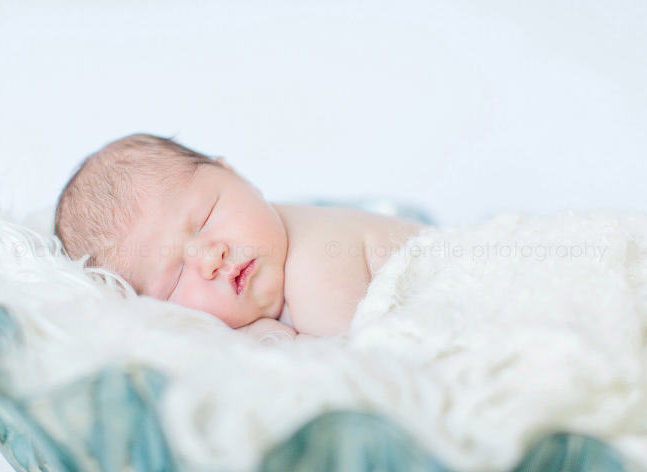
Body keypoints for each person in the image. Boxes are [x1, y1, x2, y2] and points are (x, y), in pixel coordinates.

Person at [54, 134, 427, 339]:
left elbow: (354, 370)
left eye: (206, 218)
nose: (211, 257)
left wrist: (276, 342)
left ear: (237, 176)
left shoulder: (315, 255)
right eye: (175, 278)